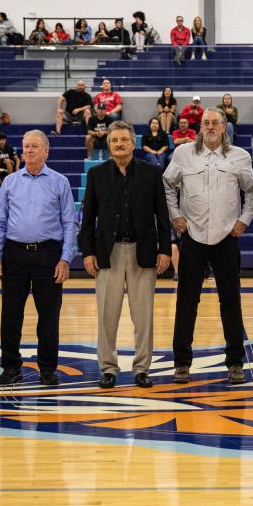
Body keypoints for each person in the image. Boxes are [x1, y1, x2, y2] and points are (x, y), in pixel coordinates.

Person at [163, 108, 253, 385]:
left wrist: (244, 220)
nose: (211, 126)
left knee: (231, 302)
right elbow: (168, 185)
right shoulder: (183, 154)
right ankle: (181, 363)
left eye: (216, 122)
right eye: (206, 122)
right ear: (200, 126)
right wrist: (175, 216)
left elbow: (252, 191)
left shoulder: (240, 156)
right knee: (186, 303)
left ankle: (236, 362)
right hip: (192, 238)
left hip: (226, 238)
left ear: (225, 126)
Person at [81, 121, 172, 389]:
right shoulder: (96, 174)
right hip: (107, 253)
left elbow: (162, 216)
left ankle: (141, 368)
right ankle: (108, 368)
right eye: (114, 141)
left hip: (142, 252)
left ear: (133, 143)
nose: (119, 144)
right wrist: (87, 252)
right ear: (108, 145)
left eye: (123, 140)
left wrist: (165, 249)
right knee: (107, 315)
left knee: (143, 316)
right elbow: (88, 219)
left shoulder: (152, 173)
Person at [0, 130, 78, 387]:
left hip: (48, 254)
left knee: (49, 315)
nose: (28, 150)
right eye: (26, 146)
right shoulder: (10, 182)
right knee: (11, 315)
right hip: (14, 254)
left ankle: (48, 369)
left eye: (35, 146)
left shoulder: (59, 182)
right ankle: (10, 367)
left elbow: (70, 223)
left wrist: (65, 259)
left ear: (46, 151)